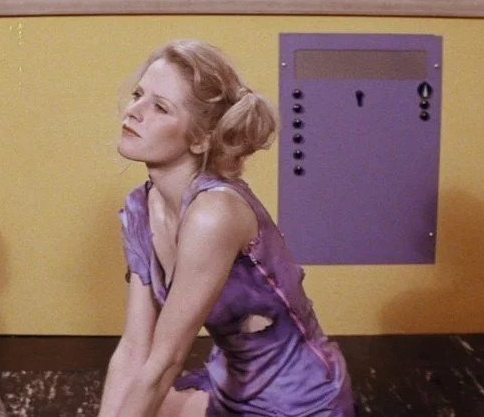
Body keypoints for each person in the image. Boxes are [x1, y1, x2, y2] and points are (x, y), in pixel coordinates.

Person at [98, 39, 355, 417]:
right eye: (138, 95)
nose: (133, 112)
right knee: (130, 404)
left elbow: (167, 361)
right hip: (229, 385)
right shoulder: (140, 207)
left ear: (201, 138)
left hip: (301, 401)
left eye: (160, 107)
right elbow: (135, 349)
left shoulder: (214, 214)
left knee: (144, 400)